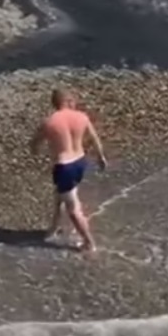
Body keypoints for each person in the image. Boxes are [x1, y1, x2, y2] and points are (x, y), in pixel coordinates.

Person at [30, 89, 107, 253]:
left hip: (65, 166)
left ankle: (89, 243)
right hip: (80, 162)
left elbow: (35, 143)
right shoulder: (82, 117)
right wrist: (101, 157)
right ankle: (53, 229)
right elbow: (94, 138)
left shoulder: (49, 122)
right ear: (67, 101)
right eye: (73, 100)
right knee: (60, 195)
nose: (75, 103)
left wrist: (36, 151)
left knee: (73, 209)